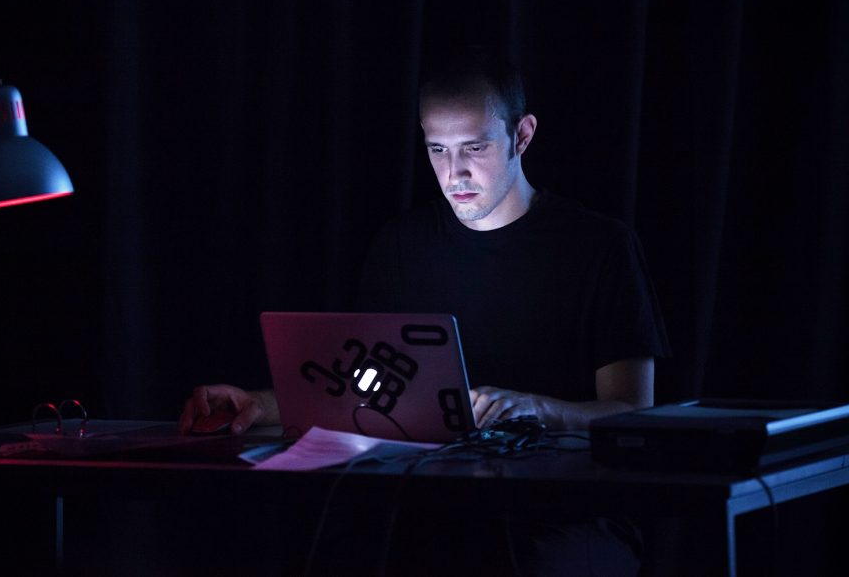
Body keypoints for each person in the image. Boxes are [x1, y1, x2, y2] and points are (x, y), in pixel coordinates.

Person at [178, 45, 669, 575]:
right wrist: (259, 403)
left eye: (475, 147)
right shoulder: (402, 246)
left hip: (565, 512)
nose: (455, 172)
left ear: (522, 136)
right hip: (429, 510)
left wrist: (538, 409)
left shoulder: (599, 248)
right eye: (438, 149)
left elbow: (633, 413)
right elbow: (360, 391)